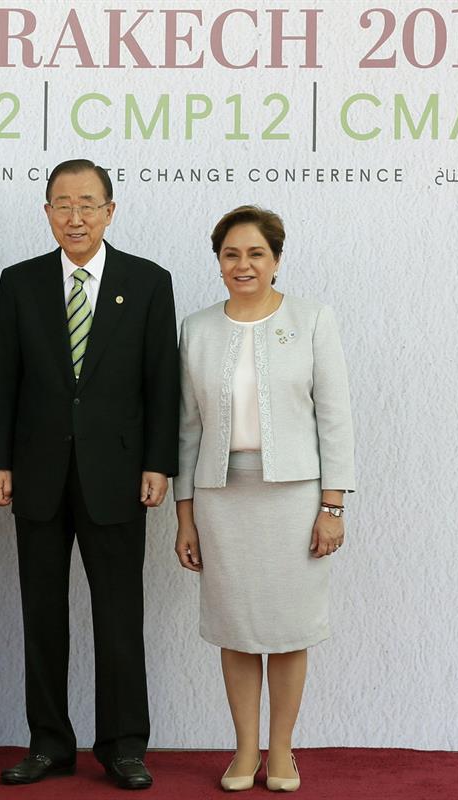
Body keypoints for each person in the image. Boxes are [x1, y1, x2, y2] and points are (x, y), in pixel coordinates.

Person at [0, 159, 179, 790]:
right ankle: (48, 745)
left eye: (88, 204)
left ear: (110, 211)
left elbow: (161, 384)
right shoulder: (19, 282)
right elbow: (3, 379)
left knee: (119, 617)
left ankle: (124, 747)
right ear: (47, 213)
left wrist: (158, 462)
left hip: (118, 475)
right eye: (62, 205)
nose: (75, 217)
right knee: (42, 616)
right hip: (36, 474)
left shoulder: (148, 282)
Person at [173, 206, 355, 793]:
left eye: (255, 253)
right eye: (231, 254)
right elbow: (187, 428)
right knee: (237, 626)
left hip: (295, 499)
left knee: (289, 627)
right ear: (219, 262)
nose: (243, 264)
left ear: (276, 259)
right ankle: (244, 751)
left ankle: (283, 752)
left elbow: (335, 416)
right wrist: (186, 514)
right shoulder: (197, 329)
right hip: (221, 499)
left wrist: (332, 506)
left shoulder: (311, 319)